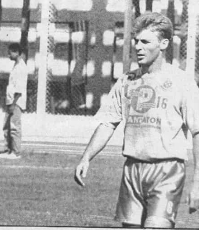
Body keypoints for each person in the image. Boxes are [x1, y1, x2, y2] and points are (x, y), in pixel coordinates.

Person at [74, 12, 199, 228]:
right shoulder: (127, 81)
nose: (138, 47)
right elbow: (108, 123)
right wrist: (86, 158)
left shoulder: (182, 82)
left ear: (163, 43)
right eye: (136, 41)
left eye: (145, 41)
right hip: (132, 170)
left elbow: (198, 131)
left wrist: (197, 182)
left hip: (167, 170)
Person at [0, 43, 28, 159]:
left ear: (17, 53)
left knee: (14, 126)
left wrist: (13, 103)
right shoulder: (16, 65)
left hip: (16, 102)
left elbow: (19, 90)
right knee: (7, 127)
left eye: (10, 52)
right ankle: (8, 150)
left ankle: (16, 152)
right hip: (10, 101)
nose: (8, 54)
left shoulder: (21, 67)